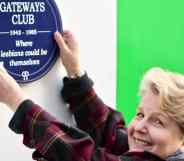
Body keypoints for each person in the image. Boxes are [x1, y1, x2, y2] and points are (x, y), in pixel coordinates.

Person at [0, 30, 184, 161]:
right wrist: (76, 73)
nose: (140, 127)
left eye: (158, 121)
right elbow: (108, 132)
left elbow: (80, 156)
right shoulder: (156, 149)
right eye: (140, 115)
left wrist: (16, 101)